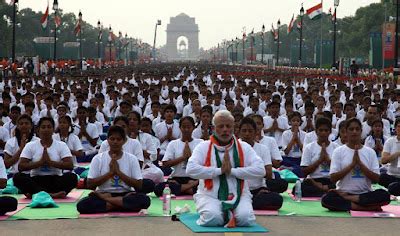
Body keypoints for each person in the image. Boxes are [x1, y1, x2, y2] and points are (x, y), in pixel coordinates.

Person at [186, 110, 265, 227]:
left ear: (234, 128)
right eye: (221, 126)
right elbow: (190, 169)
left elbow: (260, 170)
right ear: (213, 128)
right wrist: (219, 171)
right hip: (210, 195)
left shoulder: (243, 147)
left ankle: (227, 213)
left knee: (246, 219)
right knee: (212, 219)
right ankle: (222, 213)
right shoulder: (204, 146)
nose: (225, 130)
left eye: (228, 126)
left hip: (239, 194)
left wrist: (232, 171)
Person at [77, 126, 150, 214]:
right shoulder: (98, 158)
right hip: (104, 192)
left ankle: (109, 203)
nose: (115, 142)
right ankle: (121, 205)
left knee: (145, 200)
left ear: (123, 141)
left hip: (125, 194)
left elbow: (138, 185)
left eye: (118, 139)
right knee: (82, 205)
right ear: (107, 140)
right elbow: (90, 184)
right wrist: (110, 173)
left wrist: (118, 172)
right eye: (112, 139)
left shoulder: (132, 159)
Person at [321, 118, 390, 211]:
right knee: (326, 199)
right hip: (344, 192)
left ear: (361, 131)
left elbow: (377, 179)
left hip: (364, 193)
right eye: (351, 129)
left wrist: (360, 165)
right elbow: (333, 178)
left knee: (385, 195)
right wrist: (351, 165)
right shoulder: (338, 151)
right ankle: (362, 207)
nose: (354, 132)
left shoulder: (370, 152)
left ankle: (350, 201)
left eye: (357, 129)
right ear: (346, 131)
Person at [13, 117, 78, 199]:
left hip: (55, 179)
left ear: (53, 130)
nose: (46, 129)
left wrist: (50, 162)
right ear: (38, 130)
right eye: (43, 127)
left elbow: (70, 165)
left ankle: (37, 193)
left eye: (49, 127)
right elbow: (21, 166)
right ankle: (49, 194)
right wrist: (40, 163)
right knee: (17, 177)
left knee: (72, 177)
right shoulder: (31, 145)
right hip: (36, 179)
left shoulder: (61, 145)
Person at [239, 117, 283, 210]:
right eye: (244, 131)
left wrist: (243, 171)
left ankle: (244, 203)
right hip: (238, 190)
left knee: (277, 199)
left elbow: (269, 173)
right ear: (239, 132)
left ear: (255, 132)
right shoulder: (233, 148)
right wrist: (257, 170)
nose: (247, 134)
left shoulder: (262, 148)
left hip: (257, 190)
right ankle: (245, 203)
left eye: (250, 131)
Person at [154, 116, 201, 197]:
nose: (186, 129)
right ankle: (189, 188)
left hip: (194, 178)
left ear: (193, 128)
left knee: (208, 186)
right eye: (184, 127)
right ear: (180, 128)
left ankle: (181, 189)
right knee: (158, 188)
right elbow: (165, 164)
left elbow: (205, 163)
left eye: (189, 127)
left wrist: (190, 158)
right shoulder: (173, 143)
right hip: (177, 179)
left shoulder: (200, 143)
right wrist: (182, 158)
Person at [297, 117, 338, 197]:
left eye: (326, 130)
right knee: (300, 187)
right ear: (316, 131)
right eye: (321, 130)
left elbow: (340, 171)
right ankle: (325, 191)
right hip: (314, 181)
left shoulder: (336, 147)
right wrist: (319, 160)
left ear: (330, 132)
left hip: (331, 181)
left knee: (345, 186)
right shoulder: (309, 147)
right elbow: (304, 171)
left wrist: (327, 159)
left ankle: (325, 189)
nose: (323, 133)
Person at [128, 111, 164, 185]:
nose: (132, 121)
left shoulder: (146, 136)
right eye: (129, 119)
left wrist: (141, 151)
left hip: (144, 167)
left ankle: (135, 183)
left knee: (158, 173)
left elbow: (154, 155)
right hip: (127, 168)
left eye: (134, 119)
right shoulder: (122, 138)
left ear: (138, 124)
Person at [281, 112, 306, 177]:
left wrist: (297, 139)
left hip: (300, 159)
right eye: (293, 121)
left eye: (298, 121)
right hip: (289, 159)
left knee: (299, 169)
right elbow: (286, 152)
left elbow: (304, 151)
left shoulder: (304, 134)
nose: (295, 123)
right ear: (290, 122)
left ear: (300, 122)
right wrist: (293, 138)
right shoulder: (285, 133)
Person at [379, 118, 400, 196]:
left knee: (392, 188)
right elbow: (383, 160)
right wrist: (397, 154)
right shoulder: (390, 141)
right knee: (381, 177)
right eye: (399, 126)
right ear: (395, 128)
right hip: (391, 175)